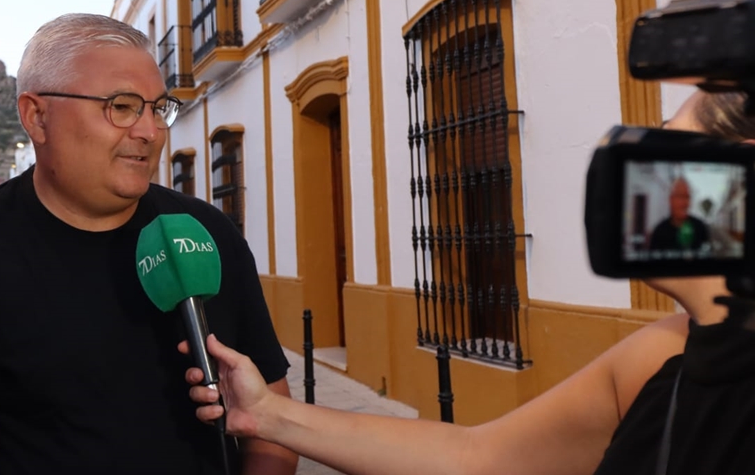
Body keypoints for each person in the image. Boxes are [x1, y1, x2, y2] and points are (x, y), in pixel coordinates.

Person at [182, 89, 755, 475]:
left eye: (667, 142)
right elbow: (480, 457)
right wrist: (268, 414)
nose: (635, 166)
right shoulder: (665, 353)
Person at [0, 13, 299, 475]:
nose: (149, 131)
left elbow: (273, 426)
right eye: (122, 106)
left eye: (157, 108)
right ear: (36, 117)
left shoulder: (206, 232)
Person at [648, 177, 710, 253]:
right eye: (680, 196)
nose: (685, 203)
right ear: (670, 200)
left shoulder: (700, 228)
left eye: (687, 197)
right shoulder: (659, 231)